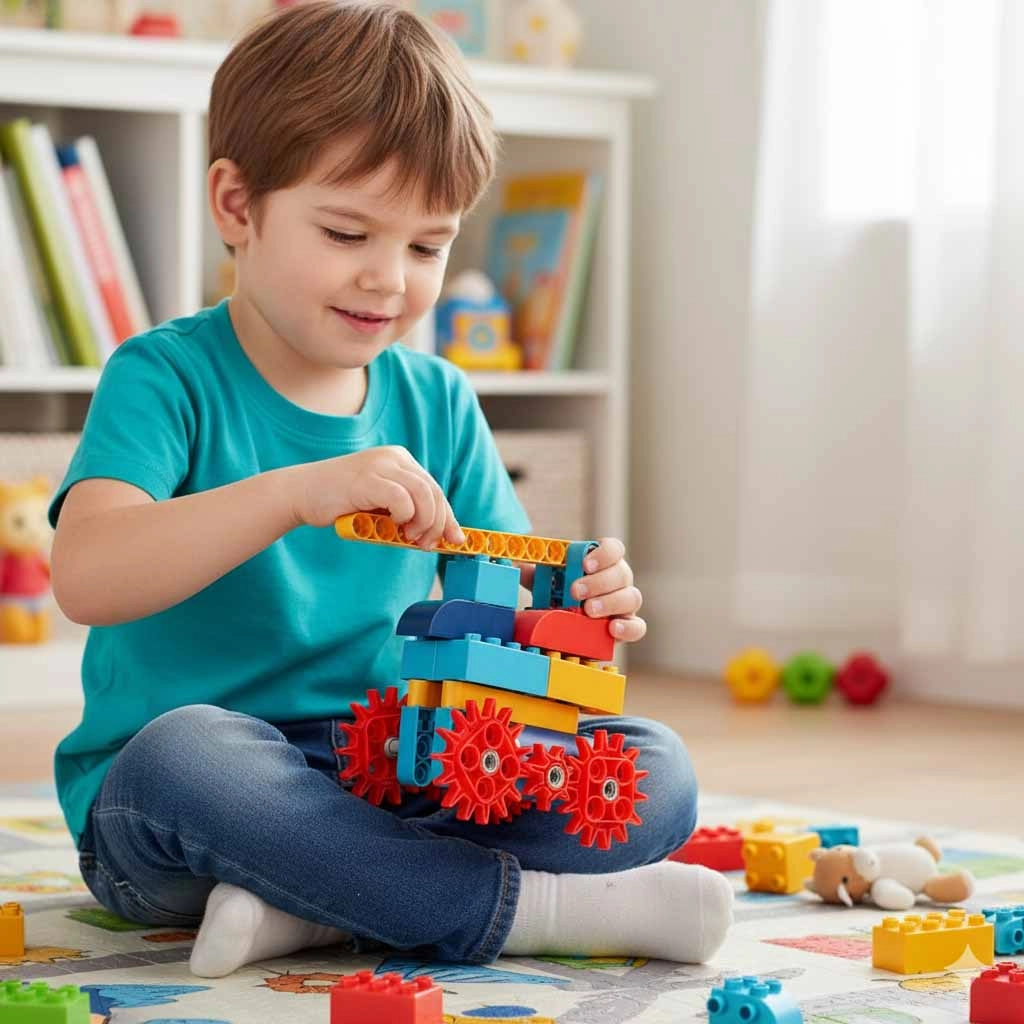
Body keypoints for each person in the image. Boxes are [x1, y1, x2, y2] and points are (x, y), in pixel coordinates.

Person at [48, 1, 732, 978]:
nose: (387, 280)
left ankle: (319, 901)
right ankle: (517, 909)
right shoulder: (163, 376)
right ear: (237, 206)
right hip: (196, 801)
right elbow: (87, 575)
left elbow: (507, 622)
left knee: (653, 767)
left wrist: (577, 614)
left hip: (403, 768)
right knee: (180, 756)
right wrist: (294, 492)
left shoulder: (439, 399)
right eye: (346, 232)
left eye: (425, 247)